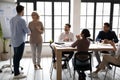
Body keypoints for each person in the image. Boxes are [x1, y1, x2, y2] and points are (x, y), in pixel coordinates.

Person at [10, 5, 30, 79]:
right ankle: (16, 74)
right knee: (18, 57)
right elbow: (26, 30)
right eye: (23, 11)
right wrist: (30, 31)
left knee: (16, 56)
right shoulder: (22, 20)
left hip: (14, 40)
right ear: (22, 11)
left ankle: (16, 71)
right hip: (20, 41)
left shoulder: (12, 19)